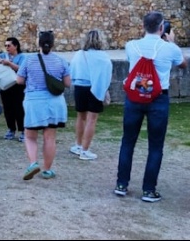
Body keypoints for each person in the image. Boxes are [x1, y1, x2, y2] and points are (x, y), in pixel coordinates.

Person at [115, 11, 187, 202]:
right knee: (155, 145)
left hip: (135, 97)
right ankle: (148, 190)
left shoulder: (131, 46)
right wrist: (171, 42)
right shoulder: (169, 48)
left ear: (143, 26)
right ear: (162, 28)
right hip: (158, 98)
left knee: (128, 141)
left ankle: (121, 184)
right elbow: (183, 64)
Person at [16, 30, 71, 180]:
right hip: (55, 102)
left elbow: (19, 80)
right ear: (53, 44)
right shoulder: (61, 61)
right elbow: (67, 83)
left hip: (34, 101)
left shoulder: (29, 60)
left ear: (38, 43)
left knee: (30, 135)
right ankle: (47, 170)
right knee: (50, 137)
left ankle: (33, 163)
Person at [69, 30, 113, 160]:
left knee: (81, 117)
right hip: (94, 88)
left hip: (80, 87)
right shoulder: (103, 57)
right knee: (91, 119)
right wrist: (104, 90)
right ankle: (85, 150)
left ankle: (78, 145)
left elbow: (72, 70)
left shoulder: (79, 54)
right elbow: (105, 75)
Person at [0, 37, 27, 142]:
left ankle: (23, 130)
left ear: (16, 46)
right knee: (8, 108)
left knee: (20, 108)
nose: (7, 48)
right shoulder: (3, 56)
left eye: (9, 45)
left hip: (18, 86)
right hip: (5, 86)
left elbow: (22, 69)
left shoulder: (22, 57)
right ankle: (11, 129)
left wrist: (9, 63)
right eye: (5, 45)